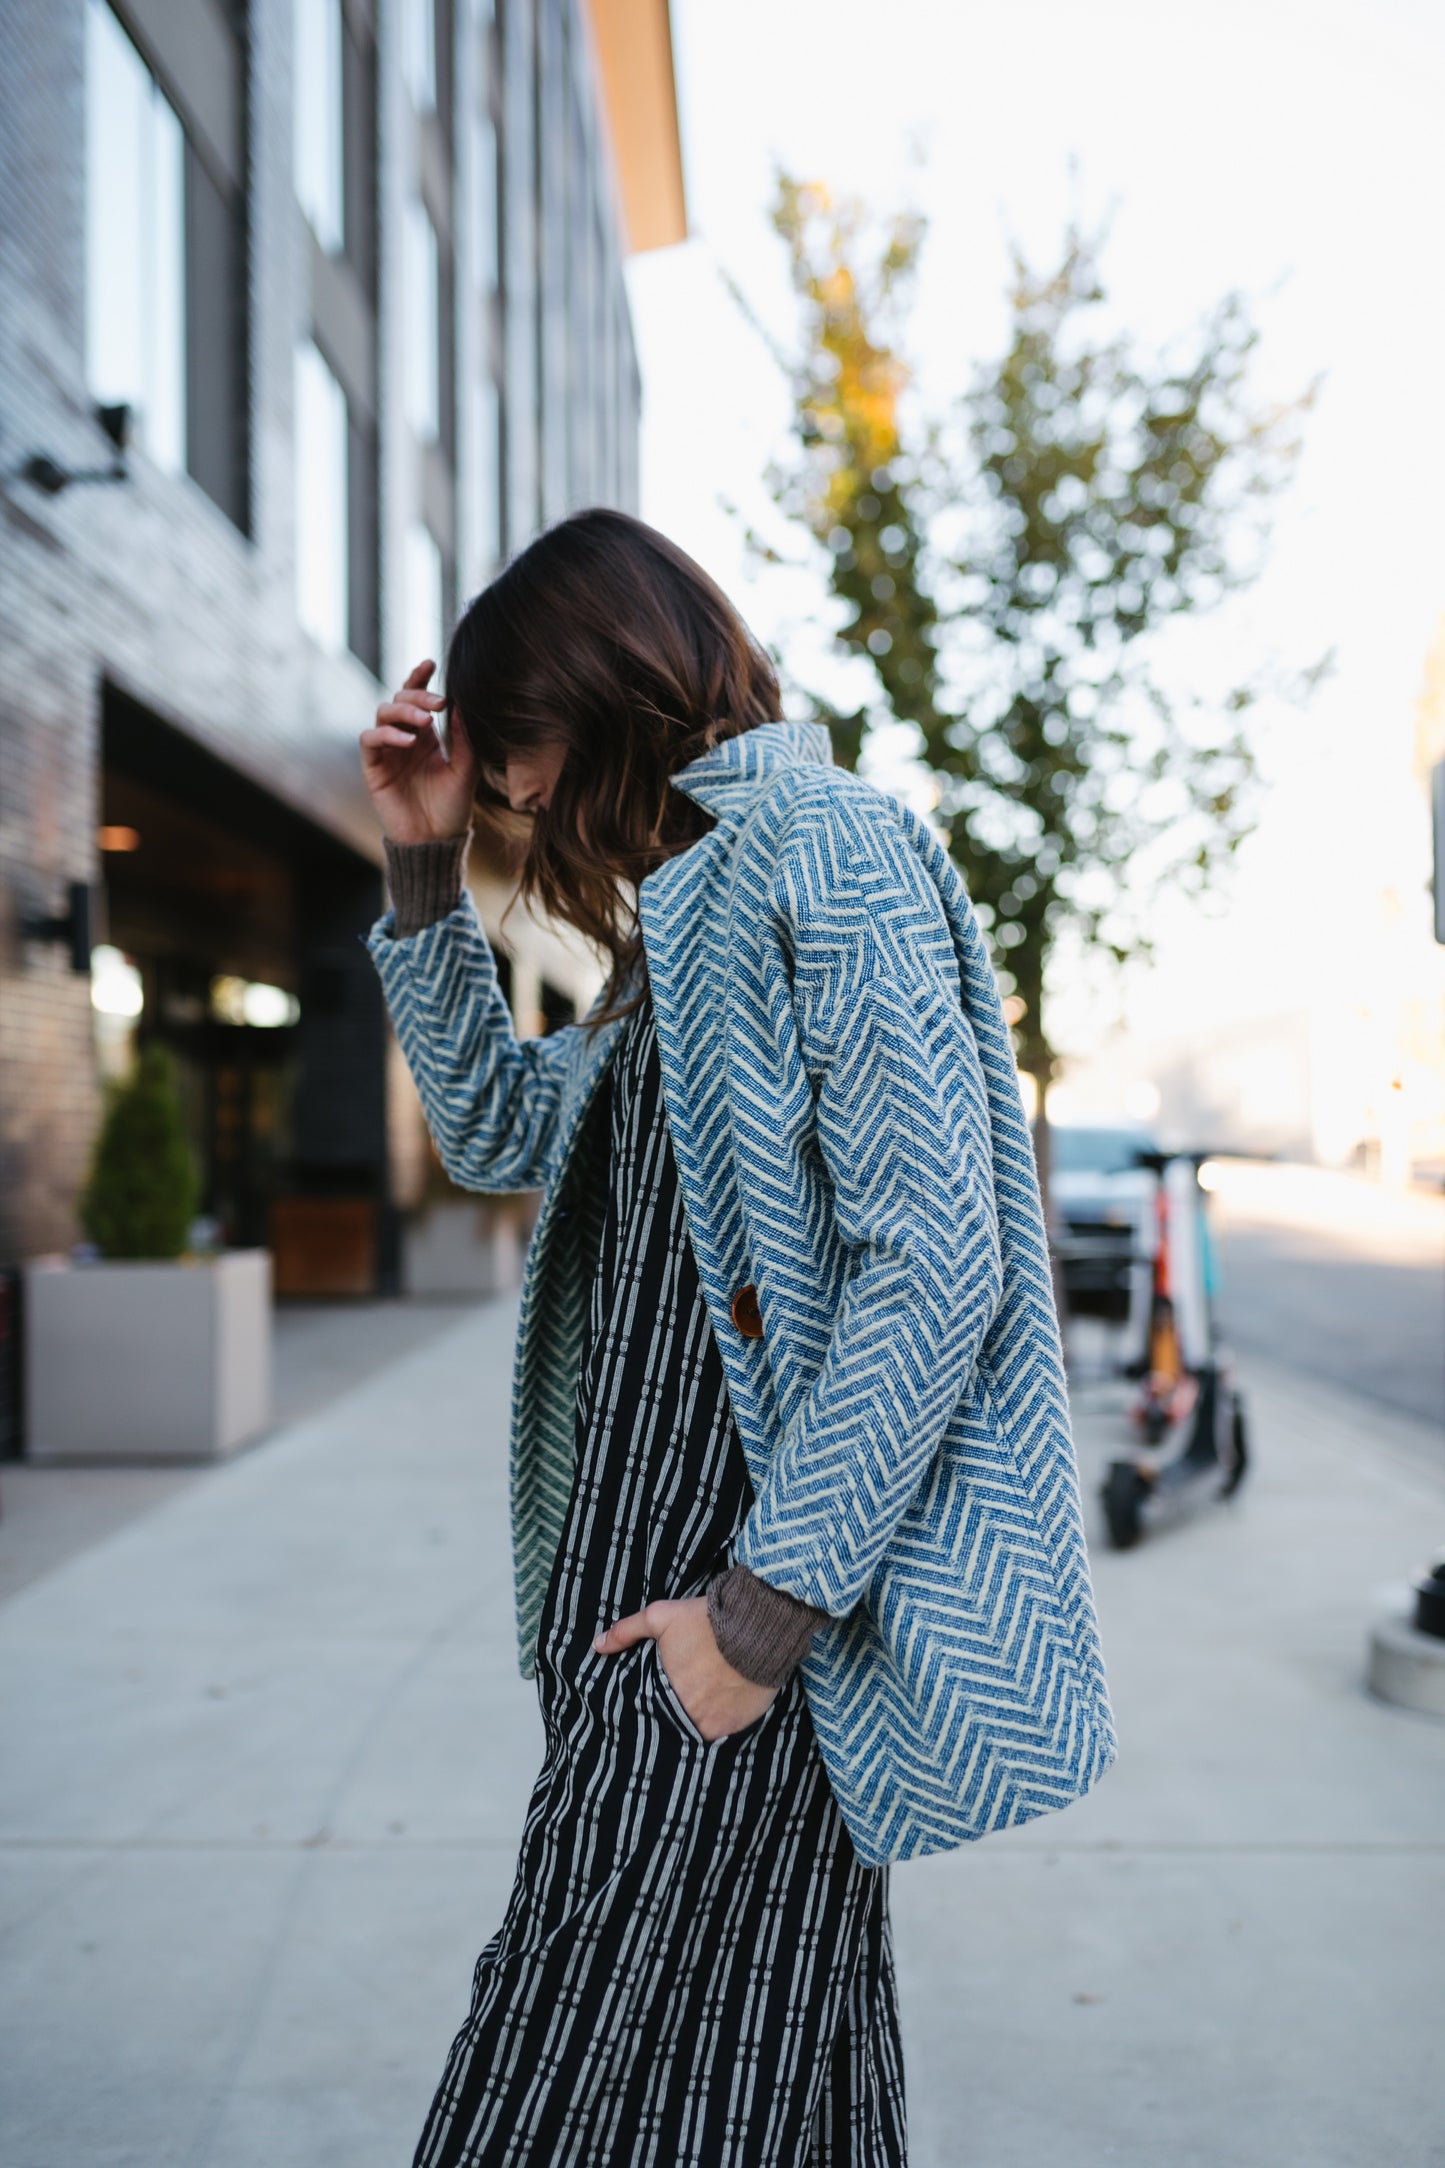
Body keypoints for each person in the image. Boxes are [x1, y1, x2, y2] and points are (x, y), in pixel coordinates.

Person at [358, 508, 1116, 2168]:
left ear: (602, 682)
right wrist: (426, 861)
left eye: (521, 761)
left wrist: (753, 1626)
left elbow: (934, 1261)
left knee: (549, 2085)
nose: (523, 803)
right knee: (767, 2079)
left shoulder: (819, 849)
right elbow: (492, 1129)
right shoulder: (674, 932)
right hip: (659, 1621)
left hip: (734, 1618)